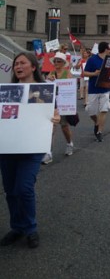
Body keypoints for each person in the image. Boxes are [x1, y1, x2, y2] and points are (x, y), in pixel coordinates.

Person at [0, 52, 60, 249]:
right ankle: (17, 227)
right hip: (8, 148)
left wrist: (55, 119)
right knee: (10, 191)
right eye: (16, 63)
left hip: (31, 149)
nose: (18, 66)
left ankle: (31, 228)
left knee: (24, 188)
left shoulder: (43, 91)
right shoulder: (7, 91)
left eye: (22, 63)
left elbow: (51, 117)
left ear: (33, 67)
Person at [45, 52, 75, 161]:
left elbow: (70, 88)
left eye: (59, 61)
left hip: (63, 104)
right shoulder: (50, 73)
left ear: (63, 63)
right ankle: (48, 153)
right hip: (53, 104)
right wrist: (50, 80)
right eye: (55, 61)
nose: (56, 63)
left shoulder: (67, 73)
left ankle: (69, 143)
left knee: (64, 126)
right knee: (51, 128)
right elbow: (47, 87)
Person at [84, 42, 110, 142]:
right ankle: (97, 123)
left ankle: (99, 132)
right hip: (94, 88)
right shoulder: (92, 59)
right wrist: (94, 73)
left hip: (105, 88)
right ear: (105, 49)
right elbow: (85, 73)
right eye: (109, 48)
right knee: (91, 110)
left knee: (104, 109)